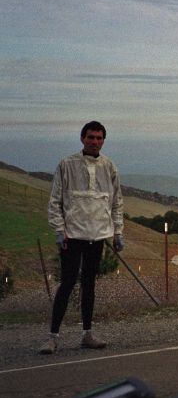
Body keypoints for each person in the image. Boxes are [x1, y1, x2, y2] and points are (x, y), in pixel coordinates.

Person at [40, 121, 125, 354]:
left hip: (97, 235)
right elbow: (55, 200)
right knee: (67, 284)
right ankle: (52, 337)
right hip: (72, 235)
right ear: (82, 139)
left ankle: (87, 334)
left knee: (89, 285)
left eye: (99, 138)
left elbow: (116, 202)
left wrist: (118, 232)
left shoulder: (109, 167)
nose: (94, 142)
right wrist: (59, 230)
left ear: (103, 141)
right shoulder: (67, 164)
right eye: (91, 137)